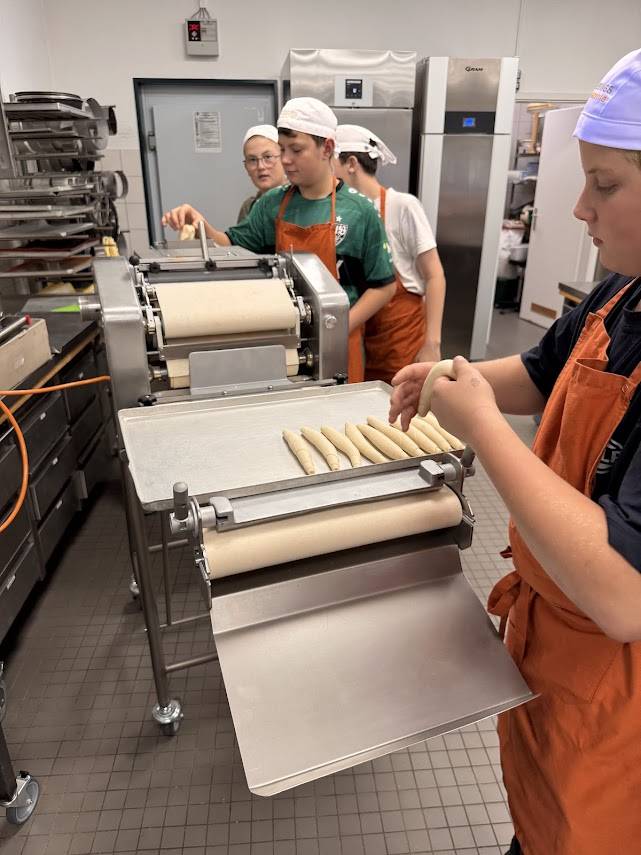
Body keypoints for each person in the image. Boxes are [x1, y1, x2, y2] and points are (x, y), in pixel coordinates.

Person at [389, 48, 641, 855]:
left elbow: (624, 595)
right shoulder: (622, 287)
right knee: (539, 821)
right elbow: (539, 370)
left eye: (604, 185)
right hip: (559, 642)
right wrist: (450, 375)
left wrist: (482, 427)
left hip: (620, 692)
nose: (578, 208)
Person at [162, 98, 396, 382]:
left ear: (327, 148)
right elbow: (231, 247)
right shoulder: (273, 204)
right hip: (286, 342)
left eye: (296, 150)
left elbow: (384, 286)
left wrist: (337, 327)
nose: (285, 160)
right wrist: (202, 226)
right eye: (282, 149)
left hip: (340, 344)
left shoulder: (359, 211)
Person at [333, 124, 446, 382]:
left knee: (402, 402)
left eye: (332, 165)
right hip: (364, 336)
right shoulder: (344, 212)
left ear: (351, 164)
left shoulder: (402, 206)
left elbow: (435, 275)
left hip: (400, 336)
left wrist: (432, 343)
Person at [237, 124, 286, 223]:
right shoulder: (249, 207)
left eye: (268, 157)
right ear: (246, 167)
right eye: (252, 160)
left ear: (284, 158)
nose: (261, 166)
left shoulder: (301, 201)